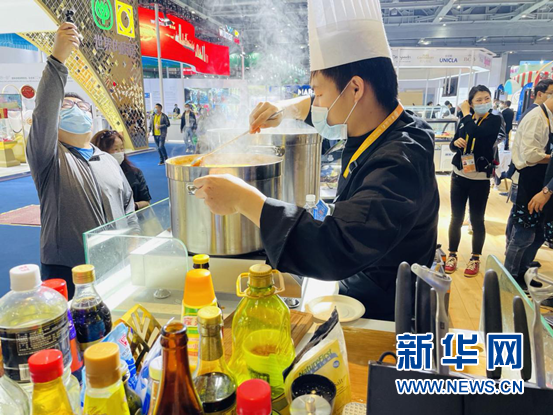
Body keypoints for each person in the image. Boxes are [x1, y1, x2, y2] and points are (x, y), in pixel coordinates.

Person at [191, 0, 439, 321]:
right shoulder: (390, 124)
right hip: (366, 286)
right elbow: (312, 106)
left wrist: (243, 199)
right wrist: (284, 109)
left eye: (319, 93)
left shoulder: (401, 162)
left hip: (388, 311)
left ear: (355, 89)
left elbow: (337, 246)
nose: (316, 104)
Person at [27, 23, 136, 298]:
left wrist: (133, 245)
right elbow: (44, 113)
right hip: (68, 268)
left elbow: (128, 207)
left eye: (83, 106)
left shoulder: (107, 160)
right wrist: (57, 60)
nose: (76, 109)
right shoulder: (49, 158)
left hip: (115, 262)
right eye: (67, 106)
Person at [444, 86, 502, 277]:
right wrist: (455, 144)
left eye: (487, 98)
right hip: (459, 175)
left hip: (480, 179)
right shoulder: (465, 121)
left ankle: (475, 257)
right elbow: (454, 143)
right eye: (479, 99)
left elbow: (477, 133)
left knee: (477, 219)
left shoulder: (494, 120)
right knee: (456, 217)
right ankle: (452, 254)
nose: (484, 102)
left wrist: (467, 114)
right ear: (471, 102)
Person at [505, 96, 553, 287]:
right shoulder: (536, 117)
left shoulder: (547, 117)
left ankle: (522, 273)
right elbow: (530, 155)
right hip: (530, 185)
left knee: (537, 234)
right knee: (522, 235)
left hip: (541, 184)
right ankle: (509, 279)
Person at [92, 130, 152, 210]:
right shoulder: (93, 176)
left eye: (122, 148)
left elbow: (146, 201)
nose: (120, 152)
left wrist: (132, 206)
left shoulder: (135, 173)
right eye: (115, 149)